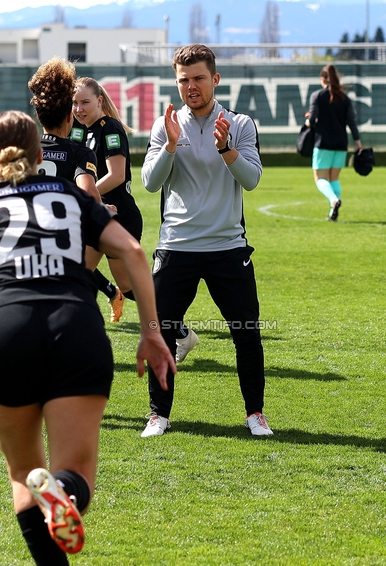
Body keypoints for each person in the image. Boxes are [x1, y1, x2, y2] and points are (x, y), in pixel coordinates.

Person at [0, 110, 175, 566]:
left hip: (6, 331)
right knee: (74, 474)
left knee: (23, 475)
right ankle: (62, 495)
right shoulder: (75, 199)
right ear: (42, 156)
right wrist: (152, 332)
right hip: (75, 329)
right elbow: (131, 251)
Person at [140, 43, 273, 438]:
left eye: (198, 78)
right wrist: (168, 145)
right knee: (160, 332)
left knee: (246, 333)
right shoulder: (165, 124)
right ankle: (158, 415)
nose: (191, 86)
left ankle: (255, 414)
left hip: (227, 248)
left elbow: (251, 179)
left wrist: (226, 149)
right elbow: (149, 183)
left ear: (215, 79)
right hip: (176, 245)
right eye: (183, 80)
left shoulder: (241, 123)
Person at [73, 76, 144, 323]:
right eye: (75, 103)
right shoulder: (83, 131)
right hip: (99, 214)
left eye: (85, 102)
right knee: (77, 269)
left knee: (128, 285)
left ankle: (175, 323)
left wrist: (82, 194)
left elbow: (116, 176)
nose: (79, 109)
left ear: (99, 100)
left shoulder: (110, 127)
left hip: (119, 216)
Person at [29, 59, 100, 202]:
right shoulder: (80, 154)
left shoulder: (24, 150)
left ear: (38, 116)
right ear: (69, 116)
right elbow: (88, 191)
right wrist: (104, 210)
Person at [305, 64, 362, 221]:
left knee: (320, 178)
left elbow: (313, 118)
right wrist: (358, 142)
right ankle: (333, 214)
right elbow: (352, 122)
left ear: (323, 79)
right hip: (341, 144)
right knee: (334, 178)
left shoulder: (317, 96)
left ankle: (333, 200)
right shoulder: (345, 98)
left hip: (323, 143)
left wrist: (308, 121)